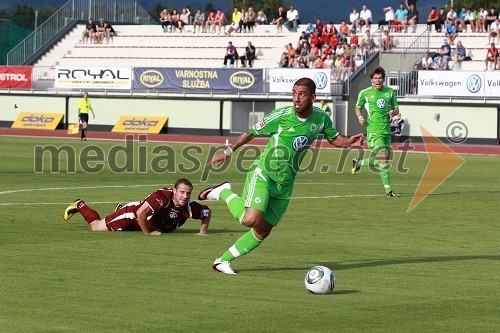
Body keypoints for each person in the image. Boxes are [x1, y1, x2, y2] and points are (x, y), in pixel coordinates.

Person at [197, 78, 364, 274]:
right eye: (294, 93)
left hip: (285, 183)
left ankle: (222, 261)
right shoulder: (281, 116)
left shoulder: (321, 118)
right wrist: (227, 152)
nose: (296, 99)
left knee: (262, 231)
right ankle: (224, 192)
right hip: (264, 174)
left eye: (301, 94)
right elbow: (251, 132)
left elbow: (333, 137)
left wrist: (348, 142)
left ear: (313, 97)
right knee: (250, 219)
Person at [63, 178, 211, 236]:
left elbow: (206, 212)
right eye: (182, 192)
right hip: (132, 216)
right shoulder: (162, 197)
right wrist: (149, 233)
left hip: (144, 220)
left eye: (188, 193)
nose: (185, 196)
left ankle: (119, 208)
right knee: (96, 226)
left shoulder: (189, 205)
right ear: (174, 191)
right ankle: (80, 204)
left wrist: (202, 231)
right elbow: (141, 213)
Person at [353, 66, 400, 198]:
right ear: (372, 80)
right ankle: (388, 190)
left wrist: (393, 112)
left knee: (384, 158)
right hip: (373, 130)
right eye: (375, 78)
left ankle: (358, 163)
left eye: (380, 78)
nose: (378, 81)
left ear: (383, 79)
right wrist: (360, 117)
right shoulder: (365, 93)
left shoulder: (390, 92)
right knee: (383, 157)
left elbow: (396, 108)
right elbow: (358, 107)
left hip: (386, 130)